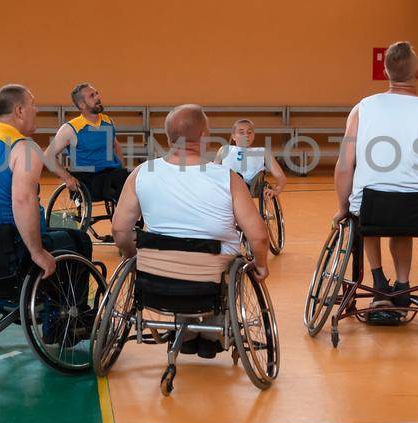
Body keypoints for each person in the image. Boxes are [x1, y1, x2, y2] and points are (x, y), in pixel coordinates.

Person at [112, 105, 270, 356]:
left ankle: (185, 329)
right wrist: (261, 264)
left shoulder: (142, 173)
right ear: (205, 137)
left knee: (174, 259)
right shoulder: (226, 178)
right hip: (210, 276)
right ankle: (209, 333)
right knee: (224, 267)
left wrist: (133, 256)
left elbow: (120, 231)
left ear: (167, 138)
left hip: (156, 276)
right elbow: (259, 236)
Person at [333, 41, 418, 315]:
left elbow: (344, 167)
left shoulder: (362, 108)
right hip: (415, 207)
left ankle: (378, 282)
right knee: (403, 217)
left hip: (371, 206)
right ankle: (402, 287)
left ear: (387, 72)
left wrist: (343, 207)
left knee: (364, 215)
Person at [0, 84, 92, 279]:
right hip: (12, 250)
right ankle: (77, 306)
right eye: (33, 104)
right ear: (20, 111)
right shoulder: (25, 149)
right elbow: (22, 201)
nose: (36, 110)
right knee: (80, 240)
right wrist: (37, 252)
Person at [46, 83, 129, 207]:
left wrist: (122, 168)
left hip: (112, 174)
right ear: (82, 105)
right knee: (122, 180)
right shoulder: (71, 128)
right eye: (92, 96)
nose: (97, 97)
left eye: (96, 93)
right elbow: (48, 156)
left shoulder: (108, 121)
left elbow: (115, 146)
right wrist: (67, 178)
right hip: (88, 179)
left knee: (135, 177)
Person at [216, 118, 287, 200]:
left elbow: (281, 177)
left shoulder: (262, 151)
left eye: (249, 132)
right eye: (241, 132)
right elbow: (213, 172)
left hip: (253, 186)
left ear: (253, 135)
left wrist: (276, 191)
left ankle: (243, 187)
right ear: (234, 136)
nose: (246, 135)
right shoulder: (224, 149)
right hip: (229, 186)